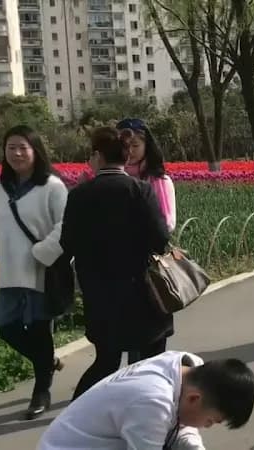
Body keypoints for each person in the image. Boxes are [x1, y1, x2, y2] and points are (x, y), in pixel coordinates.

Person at [61, 127, 172, 400]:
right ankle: (153, 417)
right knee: (151, 364)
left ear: (98, 156)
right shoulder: (141, 190)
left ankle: (77, 415)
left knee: (106, 362)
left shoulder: (80, 195)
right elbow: (160, 240)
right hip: (142, 292)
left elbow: (67, 244)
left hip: (100, 295)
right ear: (125, 158)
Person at [0, 125, 68, 419]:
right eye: (11, 148)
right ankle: (47, 361)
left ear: (35, 151)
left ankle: (40, 391)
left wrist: (44, 251)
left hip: (40, 273)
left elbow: (66, 226)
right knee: (6, 327)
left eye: (23, 148)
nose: (17, 153)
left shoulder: (52, 186)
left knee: (40, 330)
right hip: (9, 273)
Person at [37, 351, 254, 450]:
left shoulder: (190, 368)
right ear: (194, 398)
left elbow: (180, 428)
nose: (206, 427)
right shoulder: (153, 401)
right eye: (211, 421)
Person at [116, 118, 177, 232]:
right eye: (125, 147)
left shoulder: (160, 181)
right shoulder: (111, 178)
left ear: (146, 146)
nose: (130, 151)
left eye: (135, 145)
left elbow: (168, 223)